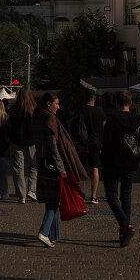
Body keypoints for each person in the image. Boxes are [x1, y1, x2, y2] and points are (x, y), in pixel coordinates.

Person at [32, 92, 88, 248]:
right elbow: (53, 147)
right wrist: (61, 168)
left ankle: (53, 234)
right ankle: (44, 232)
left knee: (53, 198)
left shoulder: (37, 115)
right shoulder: (49, 118)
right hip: (51, 164)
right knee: (54, 201)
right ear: (48, 104)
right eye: (56, 103)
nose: (59, 106)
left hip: (41, 161)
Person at [101, 89, 140, 247]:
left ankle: (125, 225)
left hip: (113, 161)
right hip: (132, 160)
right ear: (130, 102)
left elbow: (107, 143)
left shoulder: (112, 120)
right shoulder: (138, 120)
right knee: (126, 195)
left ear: (117, 103)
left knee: (111, 194)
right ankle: (123, 230)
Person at [72, 88, 106, 204]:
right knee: (95, 169)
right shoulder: (100, 111)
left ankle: (80, 193)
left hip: (81, 143)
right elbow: (103, 128)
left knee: (79, 168)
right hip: (95, 143)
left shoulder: (79, 110)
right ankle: (94, 195)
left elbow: (73, 127)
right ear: (94, 98)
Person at [9, 86, 38, 203]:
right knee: (33, 166)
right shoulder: (33, 110)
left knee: (18, 168)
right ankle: (32, 190)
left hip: (17, 141)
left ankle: (22, 195)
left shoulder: (14, 110)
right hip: (31, 141)